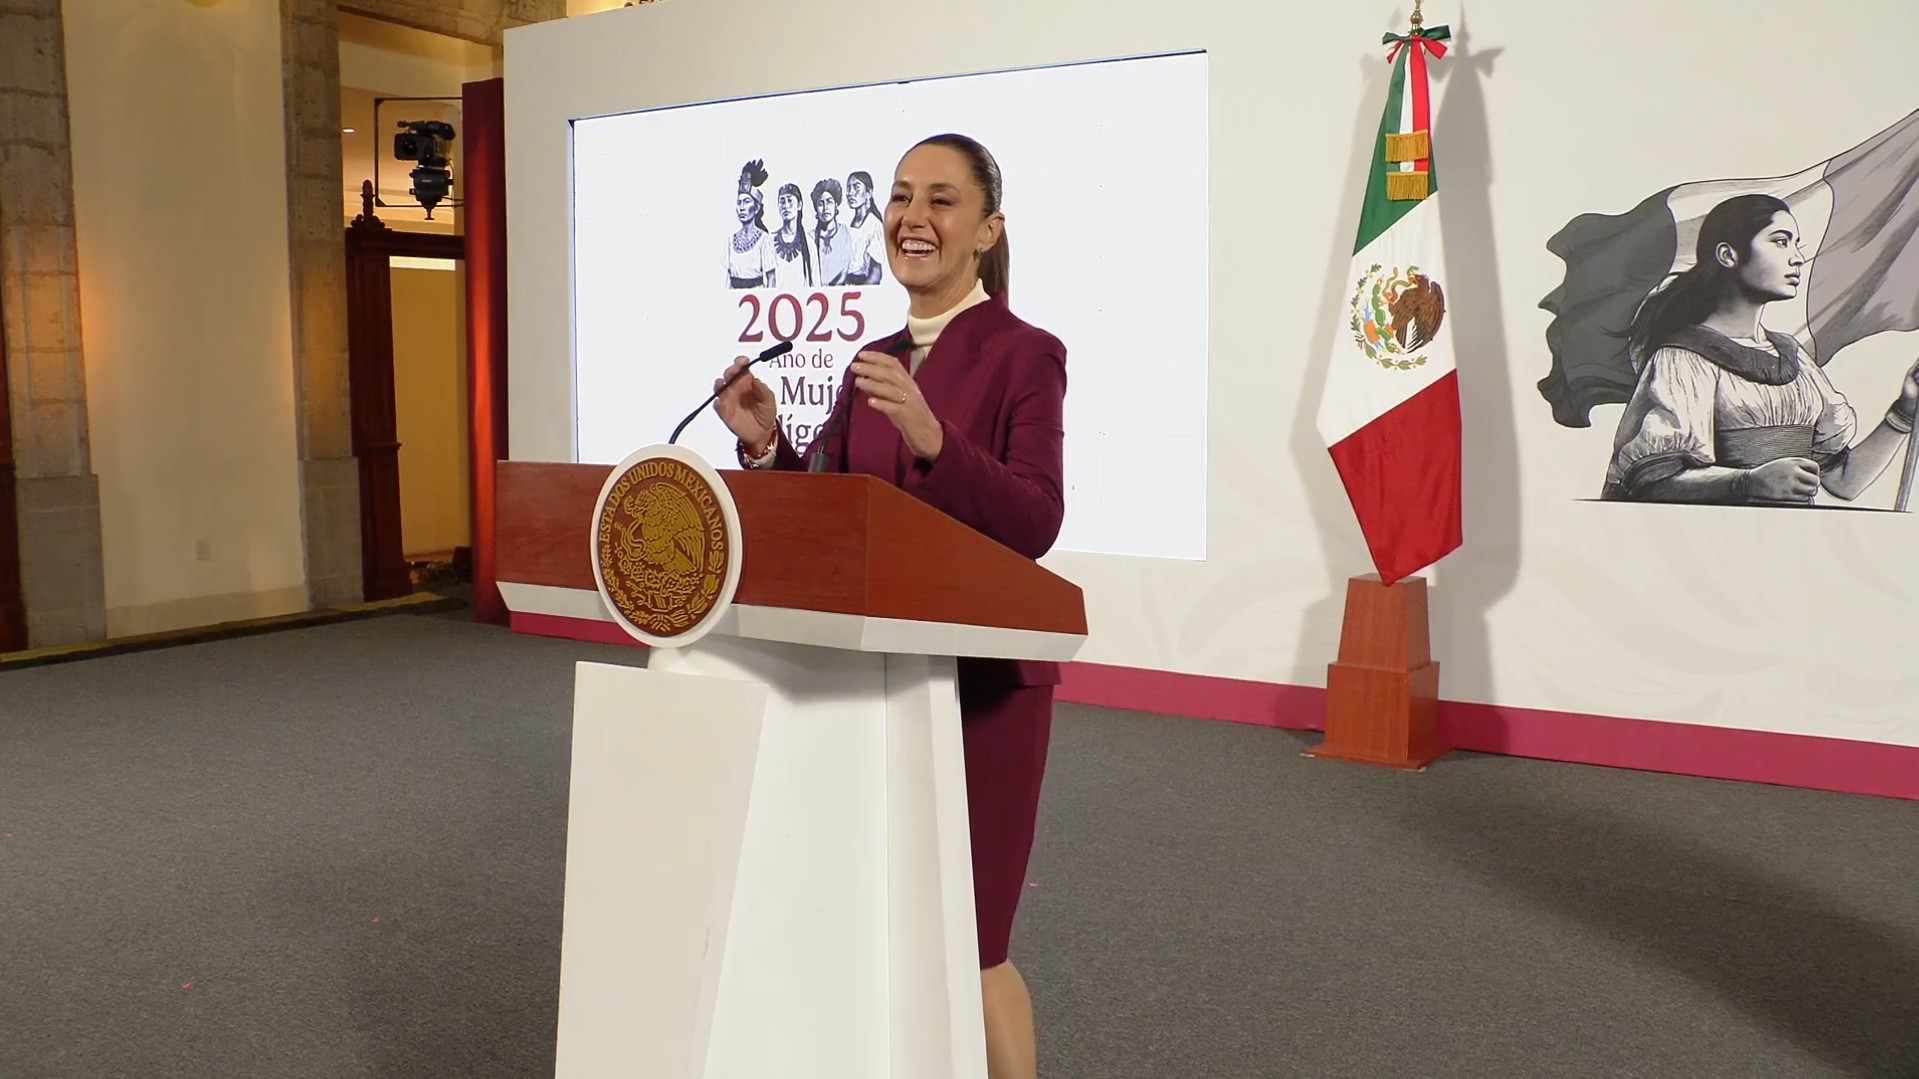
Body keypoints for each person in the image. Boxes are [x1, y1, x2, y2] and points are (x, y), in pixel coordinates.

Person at [712, 133, 1064, 1079]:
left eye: (942, 200)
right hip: (871, 680)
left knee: (972, 937)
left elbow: (1035, 518)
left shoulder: (1026, 354)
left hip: (983, 685)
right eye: (902, 196)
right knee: (888, 924)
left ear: (987, 229)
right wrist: (767, 446)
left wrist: (934, 437)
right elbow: (832, 510)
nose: (914, 216)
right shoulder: (869, 356)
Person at [1603, 192, 1919, 503]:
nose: (1797, 257)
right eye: (1780, 241)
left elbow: (1843, 482)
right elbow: (1651, 485)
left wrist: (1905, 410)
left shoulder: (1793, 357)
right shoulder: (1683, 358)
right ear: (1728, 255)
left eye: (1797, 244)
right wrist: (1747, 482)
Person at [727, 159, 777, 289]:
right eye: (739, 203)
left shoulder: (765, 240)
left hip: (756, 301)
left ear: (756, 208)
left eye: (747, 202)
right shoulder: (730, 241)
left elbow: (771, 280)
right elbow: (727, 280)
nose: (742, 207)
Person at [843, 170, 886, 285]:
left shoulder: (874, 226)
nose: (851, 193)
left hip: (863, 287)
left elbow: (876, 274)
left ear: (869, 192)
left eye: (856, 187)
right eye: (848, 188)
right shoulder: (848, 225)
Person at [771, 181, 813, 288]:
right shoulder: (769, 241)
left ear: (799, 205)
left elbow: (815, 283)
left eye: (790, 201)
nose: (786, 206)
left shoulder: (809, 243)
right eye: (782, 202)